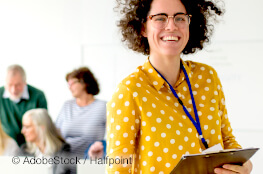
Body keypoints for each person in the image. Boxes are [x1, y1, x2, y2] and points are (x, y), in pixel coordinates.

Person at [106, 0, 253, 173]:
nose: (171, 26)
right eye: (160, 18)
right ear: (143, 28)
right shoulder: (130, 91)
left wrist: (244, 166)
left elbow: (227, 141)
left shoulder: (208, 77)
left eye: (180, 18)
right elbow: (118, 168)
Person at [56, 67, 106, 158]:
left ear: (84, 82)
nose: (69, 87)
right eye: (68, 84)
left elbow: (113, 137)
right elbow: (55, 133)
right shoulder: (67, 105)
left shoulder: (103, 107)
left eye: (72, 83)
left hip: (90, 163)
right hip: (64, 164)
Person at [0, 64, 47, 146]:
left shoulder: (38, 96)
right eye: (10, 85)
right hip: (7, 145)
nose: (13, 90)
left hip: (33, 144)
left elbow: (43, 125)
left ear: (25, 82)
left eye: (18, 85)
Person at [19, 108, 71, 174]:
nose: (22, 131)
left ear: (41, 128)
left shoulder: (63, 149)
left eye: (27, 127)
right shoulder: (24, 150)